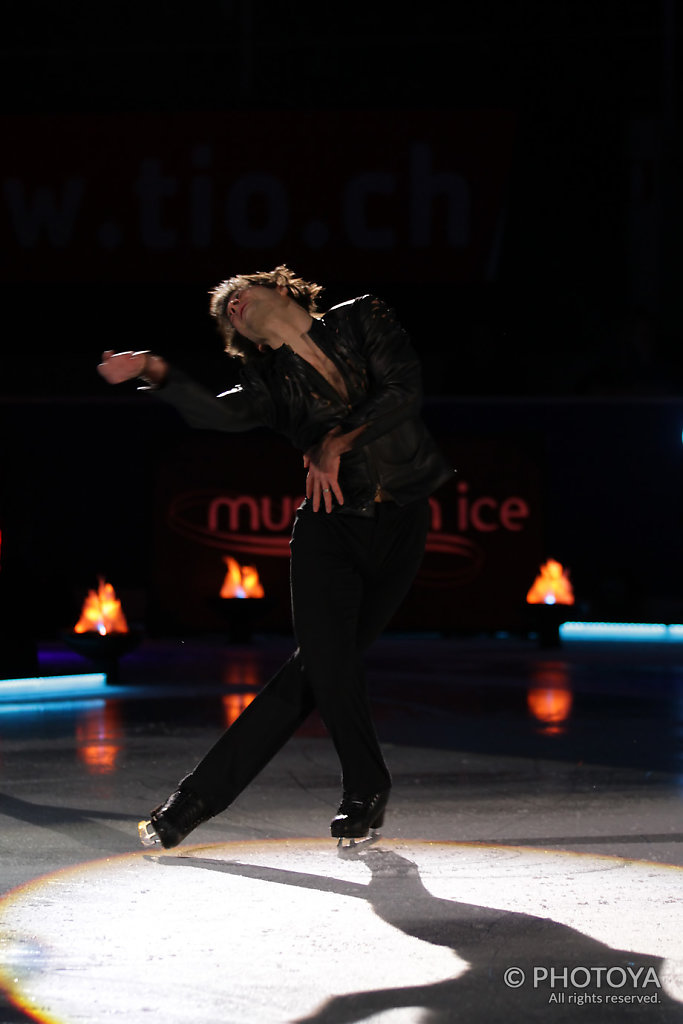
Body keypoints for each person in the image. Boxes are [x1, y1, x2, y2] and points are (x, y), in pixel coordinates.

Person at [98, 265, 453, 847]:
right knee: (326, 662)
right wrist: (153, 369)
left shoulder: (364, 315)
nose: (232, 302)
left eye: (239, 292)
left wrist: (334, 443)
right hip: (328, 530)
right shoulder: (268, 379)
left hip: (402, 521)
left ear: (282, 288)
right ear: (247, 340)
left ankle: (346, 785)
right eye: (225, 308)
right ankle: (214, 802)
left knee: (318, 671)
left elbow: (403, 391)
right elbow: (220, 413)